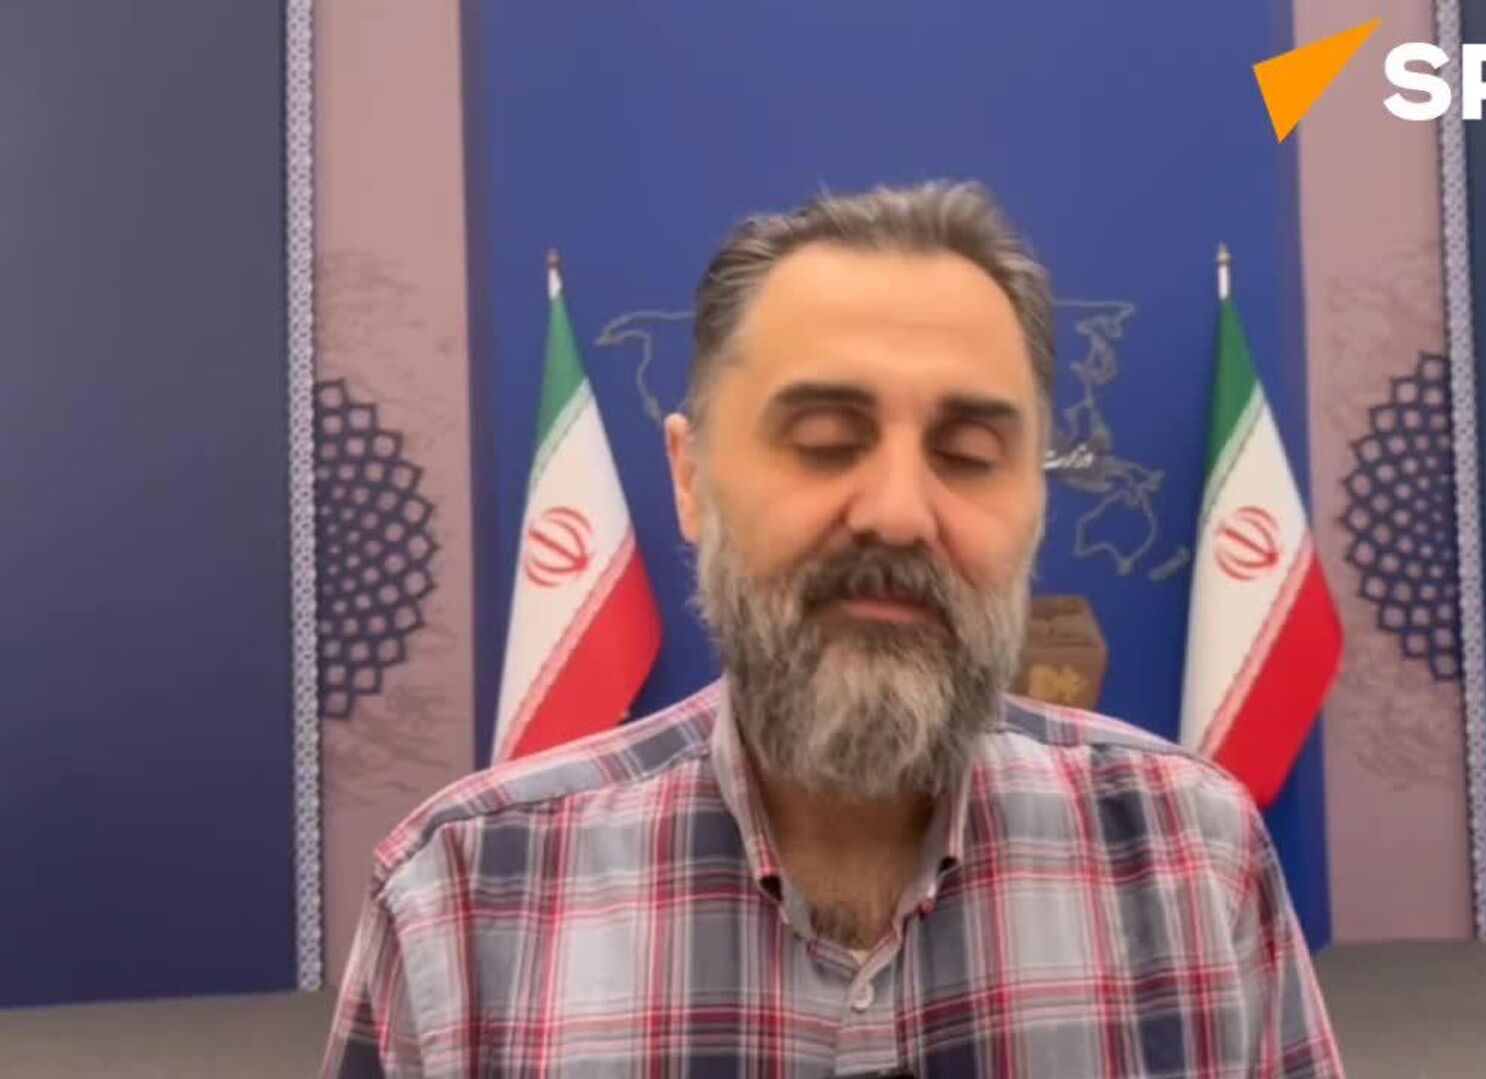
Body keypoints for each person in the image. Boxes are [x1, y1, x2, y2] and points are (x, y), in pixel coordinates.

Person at [322, 180, 1344, 1078]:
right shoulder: (466, 901)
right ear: (691, 478)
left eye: (969, 453)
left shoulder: (1196, 859)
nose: (897, 512)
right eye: (822, 440)